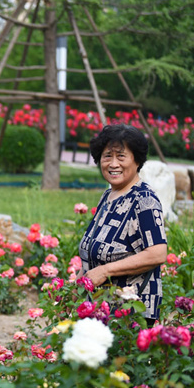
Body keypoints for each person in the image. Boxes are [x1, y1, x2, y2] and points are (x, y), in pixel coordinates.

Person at [79, 124, 168, 324]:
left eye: (121, 156)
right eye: (107, 156)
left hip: (130, 314)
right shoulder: (109, 195)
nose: (113, 163)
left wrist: (105, 271)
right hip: (101, 309)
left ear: (137, 161)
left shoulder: (144, 200)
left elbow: (157, 253)